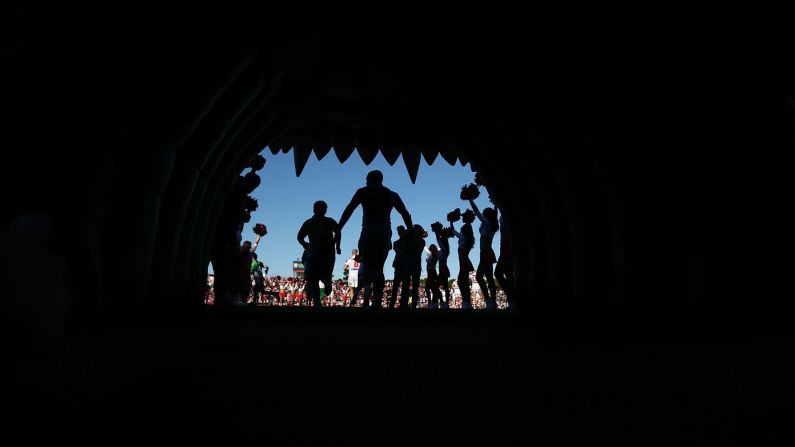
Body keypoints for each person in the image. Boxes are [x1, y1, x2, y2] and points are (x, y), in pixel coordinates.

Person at [338, 170, 413, 308]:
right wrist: (411, 231)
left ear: (372, 180)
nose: (366, 182)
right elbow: (405, 213)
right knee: (379, 268)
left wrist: (339, 228)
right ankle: (377, 301)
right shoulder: (391, 194)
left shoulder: (363, 192)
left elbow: (349, 210)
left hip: (369, 232)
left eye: (367, 180)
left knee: (368, 267)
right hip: (384, 233)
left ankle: (370, 299)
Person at [297, 200, 341, 307]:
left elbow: (299, 236)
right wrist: (337, 245)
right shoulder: (329, 221)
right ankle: (326, 280)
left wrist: (305, 244)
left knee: (313, 278)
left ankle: (317, 301)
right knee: (324, 272)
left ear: (313, 209)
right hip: (328, 252)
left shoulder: (309, 222)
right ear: (325, 210)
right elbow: (338, 232)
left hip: (315, 252)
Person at [467, 197, 499, 309]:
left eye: (485, 213)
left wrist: (470, 199)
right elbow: (495, 213)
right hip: (485, 252)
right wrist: (495, 205)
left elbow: (476, 212)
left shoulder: (489, 224)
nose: (483, 215)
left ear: (488, 215)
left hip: (486, 252)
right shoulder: (489, 225)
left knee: (480, 276)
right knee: (489, 278)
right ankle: (492, 302)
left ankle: (488, 300)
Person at [450, 210, 475, 309]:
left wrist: (451, 221)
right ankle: (466, 302)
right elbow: (454, 231)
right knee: (462, 281)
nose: (461, 231)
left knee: (461, 281)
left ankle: (466, 302)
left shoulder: (464, 238)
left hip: (464, 261)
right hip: (464, 261)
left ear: (464, 231)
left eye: (462, 230)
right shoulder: (466, 238)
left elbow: (453, 231)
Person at [493, 205, 514, 309]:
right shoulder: (502, 216)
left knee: (498, 273)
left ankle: (512, 297)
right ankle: (512, 299)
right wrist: (495, 207)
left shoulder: (507, 216)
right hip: (504, 248)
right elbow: (494, 218)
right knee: (508, 275)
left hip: (507, 248)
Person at [401, 224, 426, 309]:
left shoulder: (421, 241)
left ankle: (413, 305)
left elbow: (417, 251)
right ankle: (404, 304)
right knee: (407, 285)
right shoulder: (411, 240)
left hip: (414, 265)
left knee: (413, 286)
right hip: (410, 265)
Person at [388, 225, 408, 308]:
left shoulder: (403, 242)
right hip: (400, 264)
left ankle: (403, 304)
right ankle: (392, 304)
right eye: (400, 232)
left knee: (404, 285)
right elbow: (399, 252)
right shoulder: (397, 243)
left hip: (404, 264)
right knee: (396, 285)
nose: (401, 233)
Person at [425, 243, 440, 308]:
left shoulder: (430, 254)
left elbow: (425, 248)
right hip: (433, 272)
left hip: (431, 272)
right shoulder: (436, 254)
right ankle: (434, 302)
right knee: (433, 288)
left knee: (428, 288)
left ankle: (431, 303)